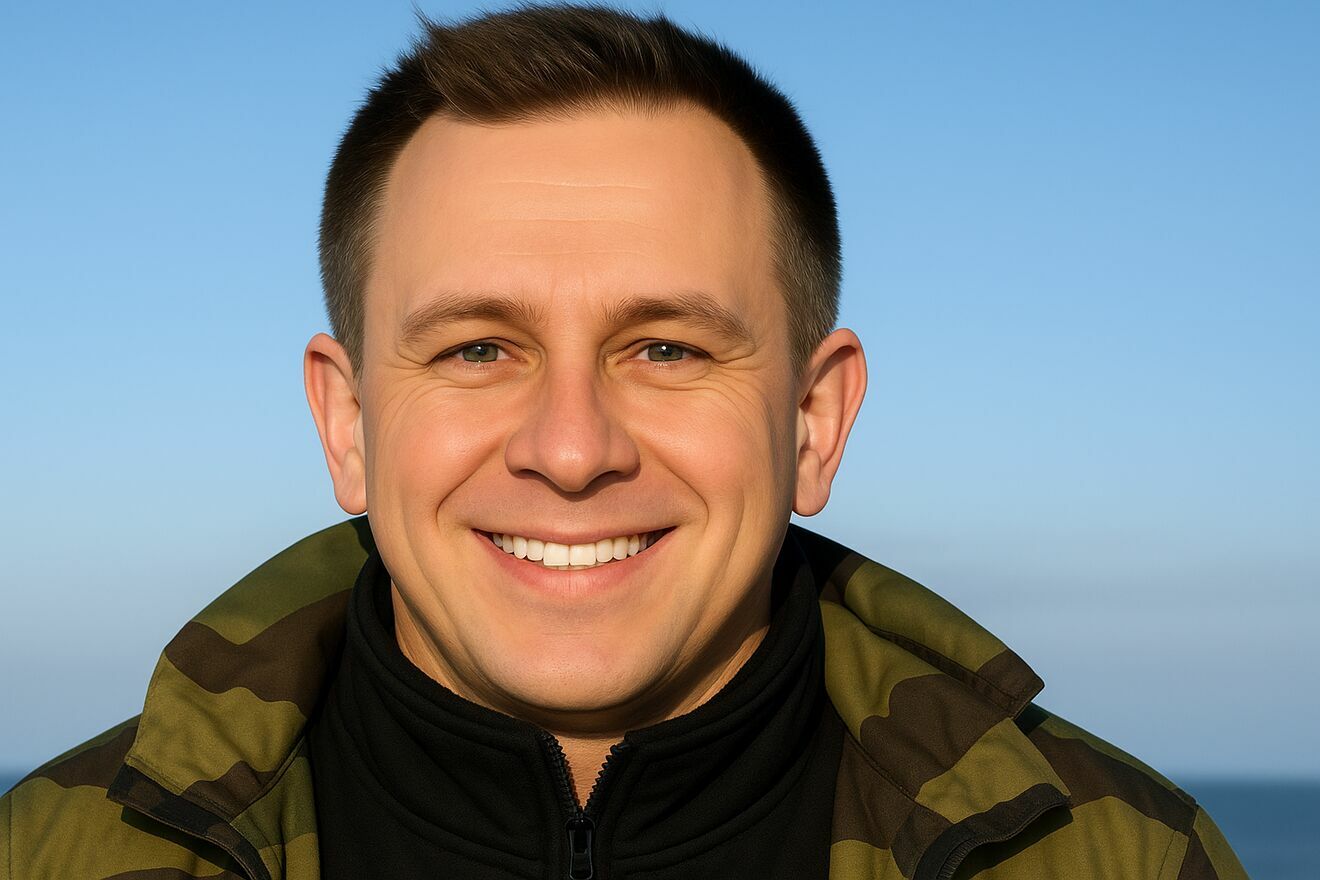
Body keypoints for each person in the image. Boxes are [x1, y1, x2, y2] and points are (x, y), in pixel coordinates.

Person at [1, 5, 1248, 879]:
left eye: (667, 349)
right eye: (477, 348)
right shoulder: (55, 854)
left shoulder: (1119, 856)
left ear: (814, 421)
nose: (571, 448)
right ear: (350, 423)